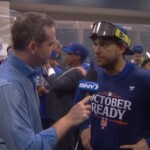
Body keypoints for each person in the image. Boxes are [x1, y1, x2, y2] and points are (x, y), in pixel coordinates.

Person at [0, 12, 92, 150]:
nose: (54, 51)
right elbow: (28, 147)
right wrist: (69, 119)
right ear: (33, 47)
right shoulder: (10, 86)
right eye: (50, 45)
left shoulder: (26, 74)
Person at [75, 21, 150, 150]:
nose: (97, 50)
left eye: (103, 45)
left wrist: (148, 143)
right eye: (96, 44)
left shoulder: (143, 79)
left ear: (121, 48)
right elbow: (78, 105)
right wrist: (84, 127)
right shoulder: (92, 76)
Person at [46, 42, 89, 150]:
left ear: (78, 56)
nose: (66, 56)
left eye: (70, 54)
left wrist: (49, 68)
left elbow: (56, 84)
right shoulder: (72, 70)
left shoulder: (78, 72)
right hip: (59, 116)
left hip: (64, 116)